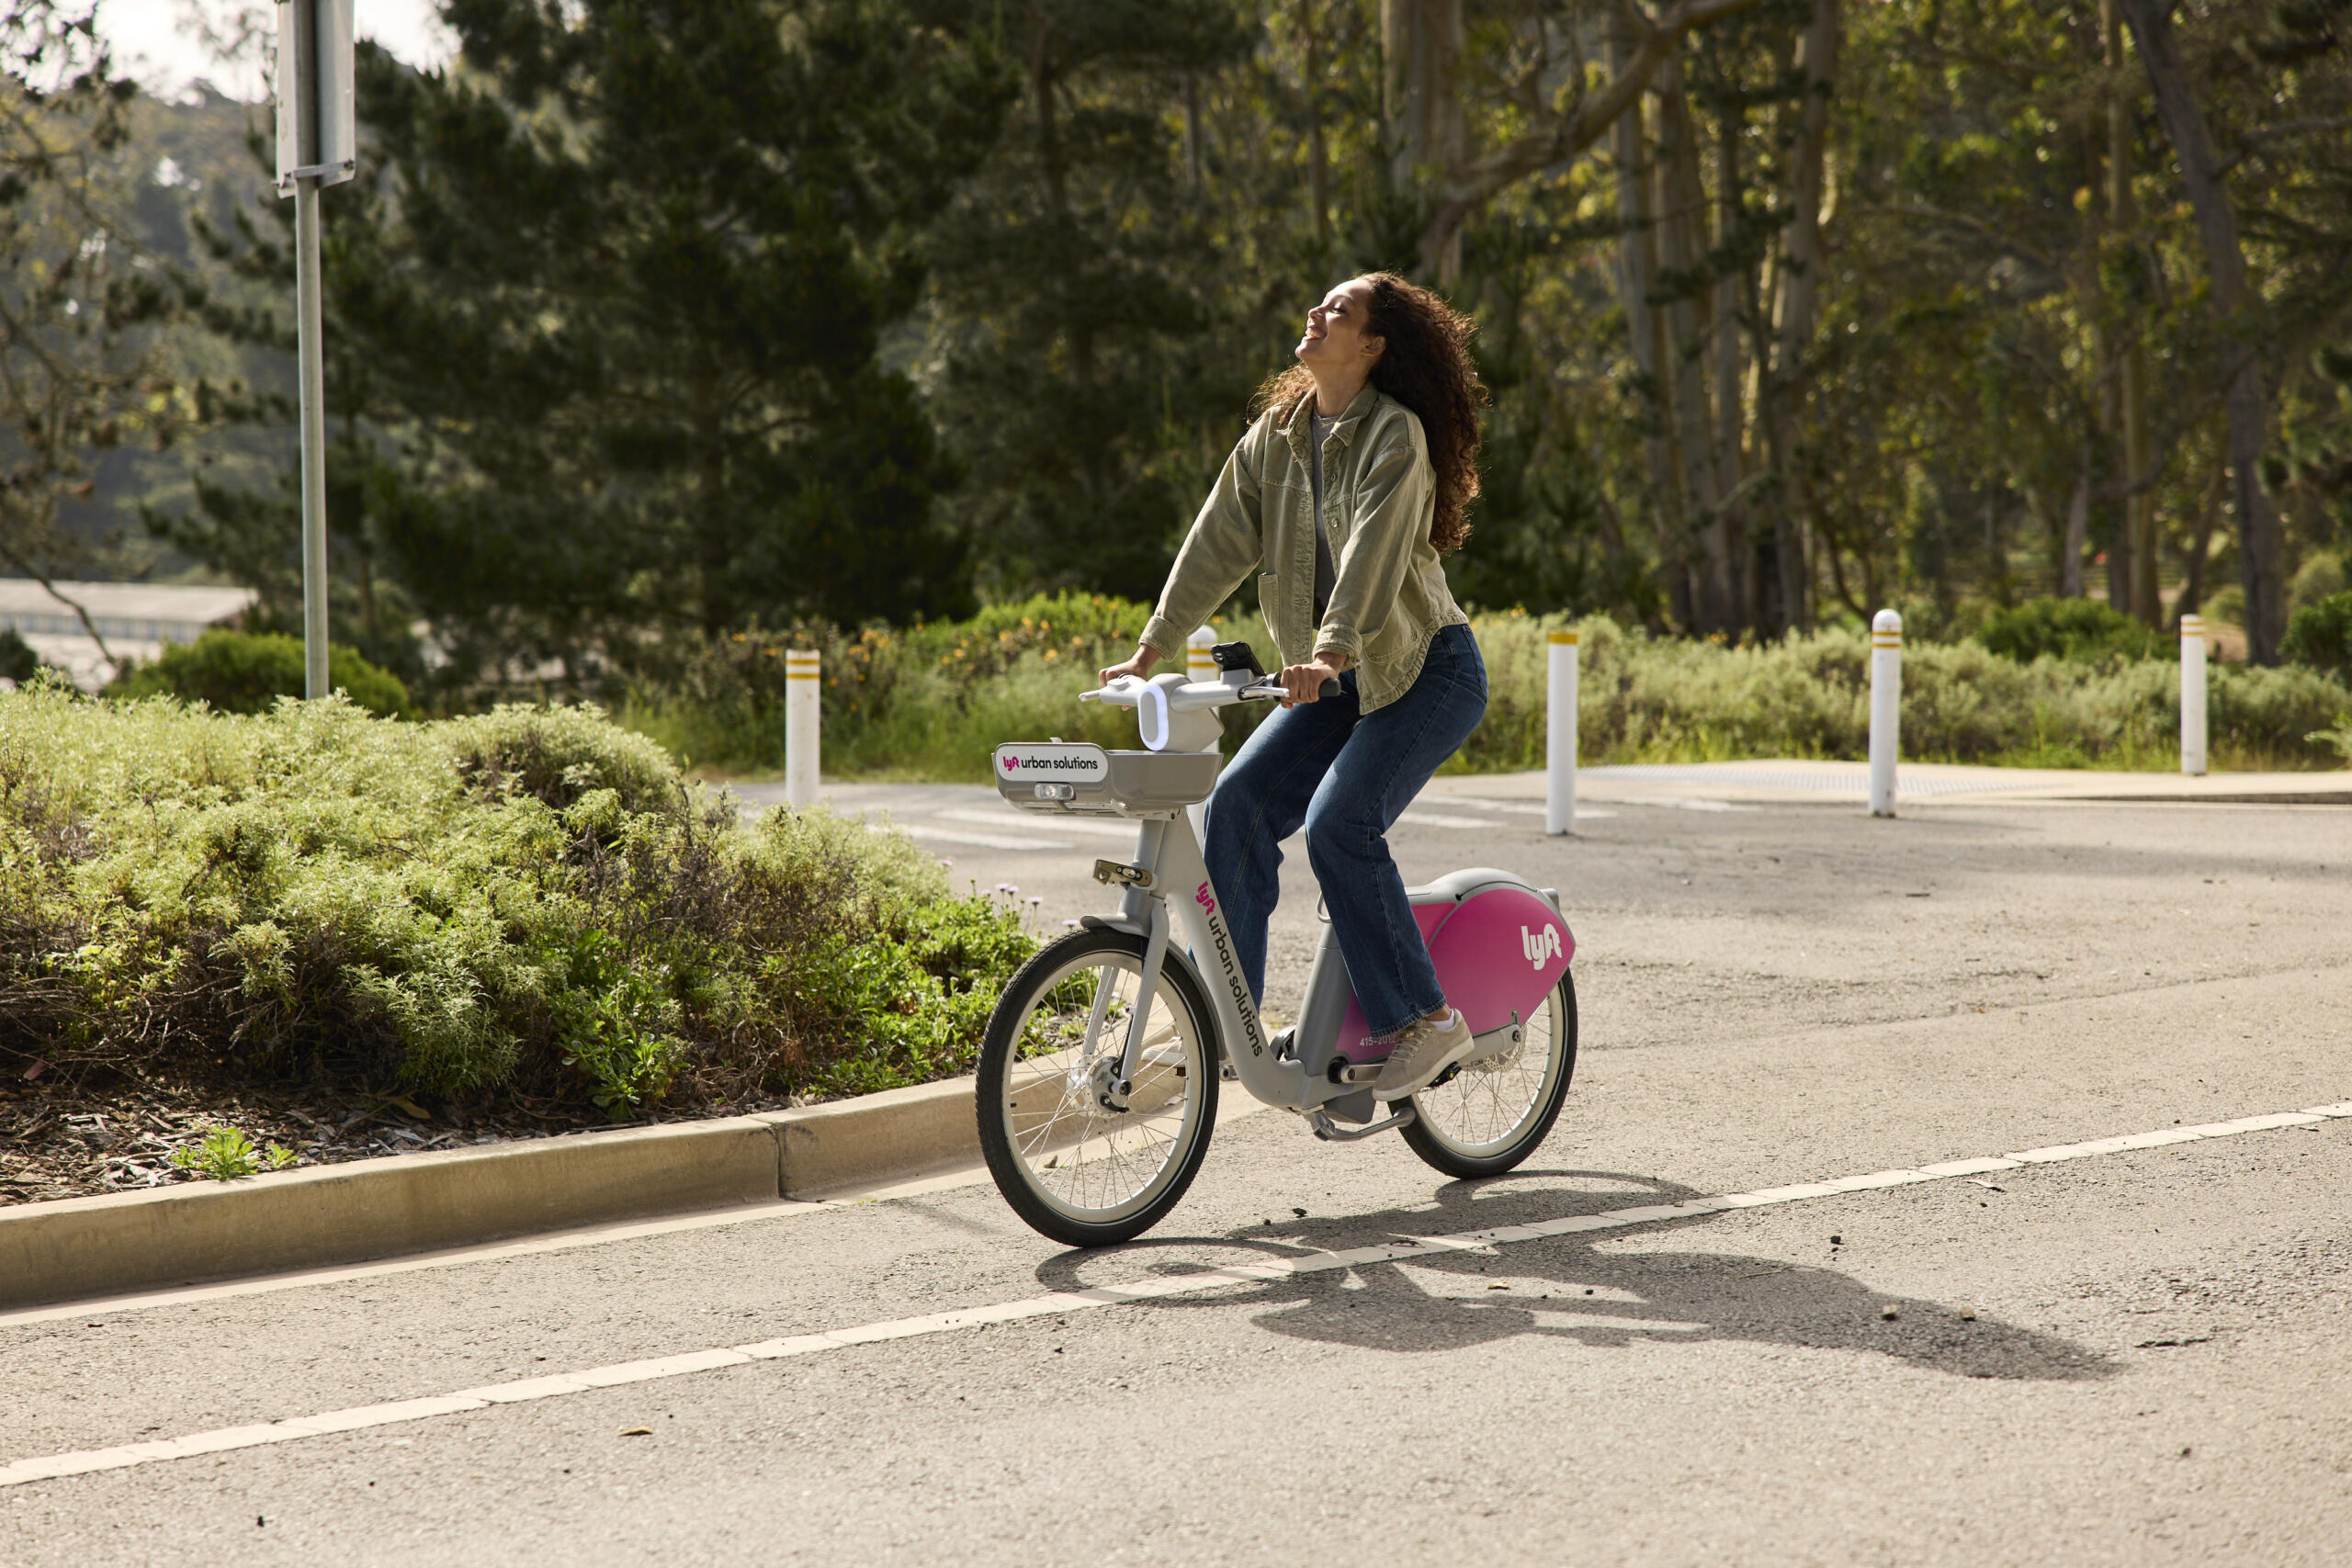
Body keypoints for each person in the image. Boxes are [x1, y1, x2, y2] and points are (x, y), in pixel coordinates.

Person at [1099, 272, 1489, 1103]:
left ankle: (1427, 1019)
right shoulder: (1278, 436)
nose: (1316, 314)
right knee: (1236, 807)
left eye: (1339, 311)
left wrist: (1332, 649)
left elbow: (1373, 556)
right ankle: (1221, 1026)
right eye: (1320, 305)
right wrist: (1151, 648)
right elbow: (1214, 542)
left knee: (1338, 824)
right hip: (1336, 679)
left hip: (1424, 669)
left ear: (1374, 346)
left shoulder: (1397, 435)